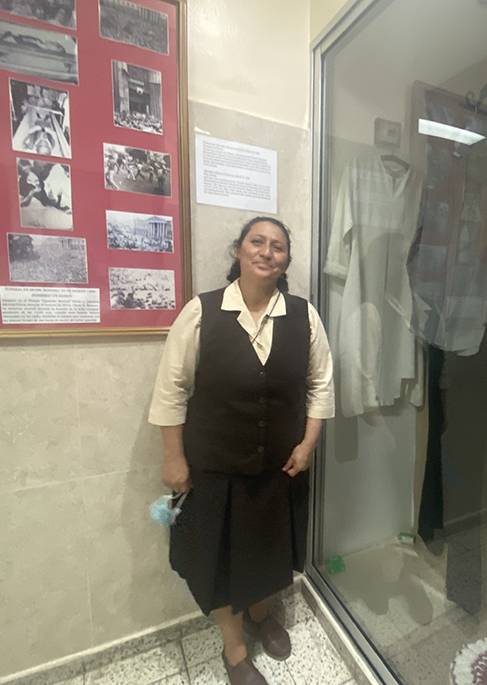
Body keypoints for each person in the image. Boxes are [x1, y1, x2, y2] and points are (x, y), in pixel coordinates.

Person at [149, 217, 334, 685]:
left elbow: (320, 385)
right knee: (224, 559)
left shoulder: (304, 316)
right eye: (258, 241)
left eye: (278, 246)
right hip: (215, 468)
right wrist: (174, 459)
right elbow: (170, 390)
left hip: (279, 467)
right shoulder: (201, 313)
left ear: (286, 260)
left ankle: (259, 614)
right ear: (238, 250)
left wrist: (309, 443)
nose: (267, 252)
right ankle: (234, 649)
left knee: (270, 549)